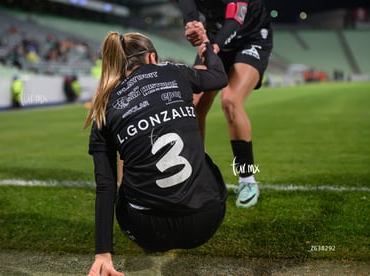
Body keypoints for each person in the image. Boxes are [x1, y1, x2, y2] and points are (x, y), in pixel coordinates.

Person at [84, 31, 228, 276]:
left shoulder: (103, 108)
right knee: (200, 154)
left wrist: (103, 254)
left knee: (126, 158)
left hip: (147, 231)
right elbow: (218, 77)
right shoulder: (174, 71)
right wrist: (207, 48)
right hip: (204, 221)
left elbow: (105, 186)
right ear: (152, 57)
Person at [177, 0, 273, 208]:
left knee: (230, 101)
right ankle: (197, 176)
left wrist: (215, 45)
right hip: (213, 36)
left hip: (251, 38)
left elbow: (236, 19)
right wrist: (192, 23)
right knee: (193, 104)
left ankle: (247, 180)